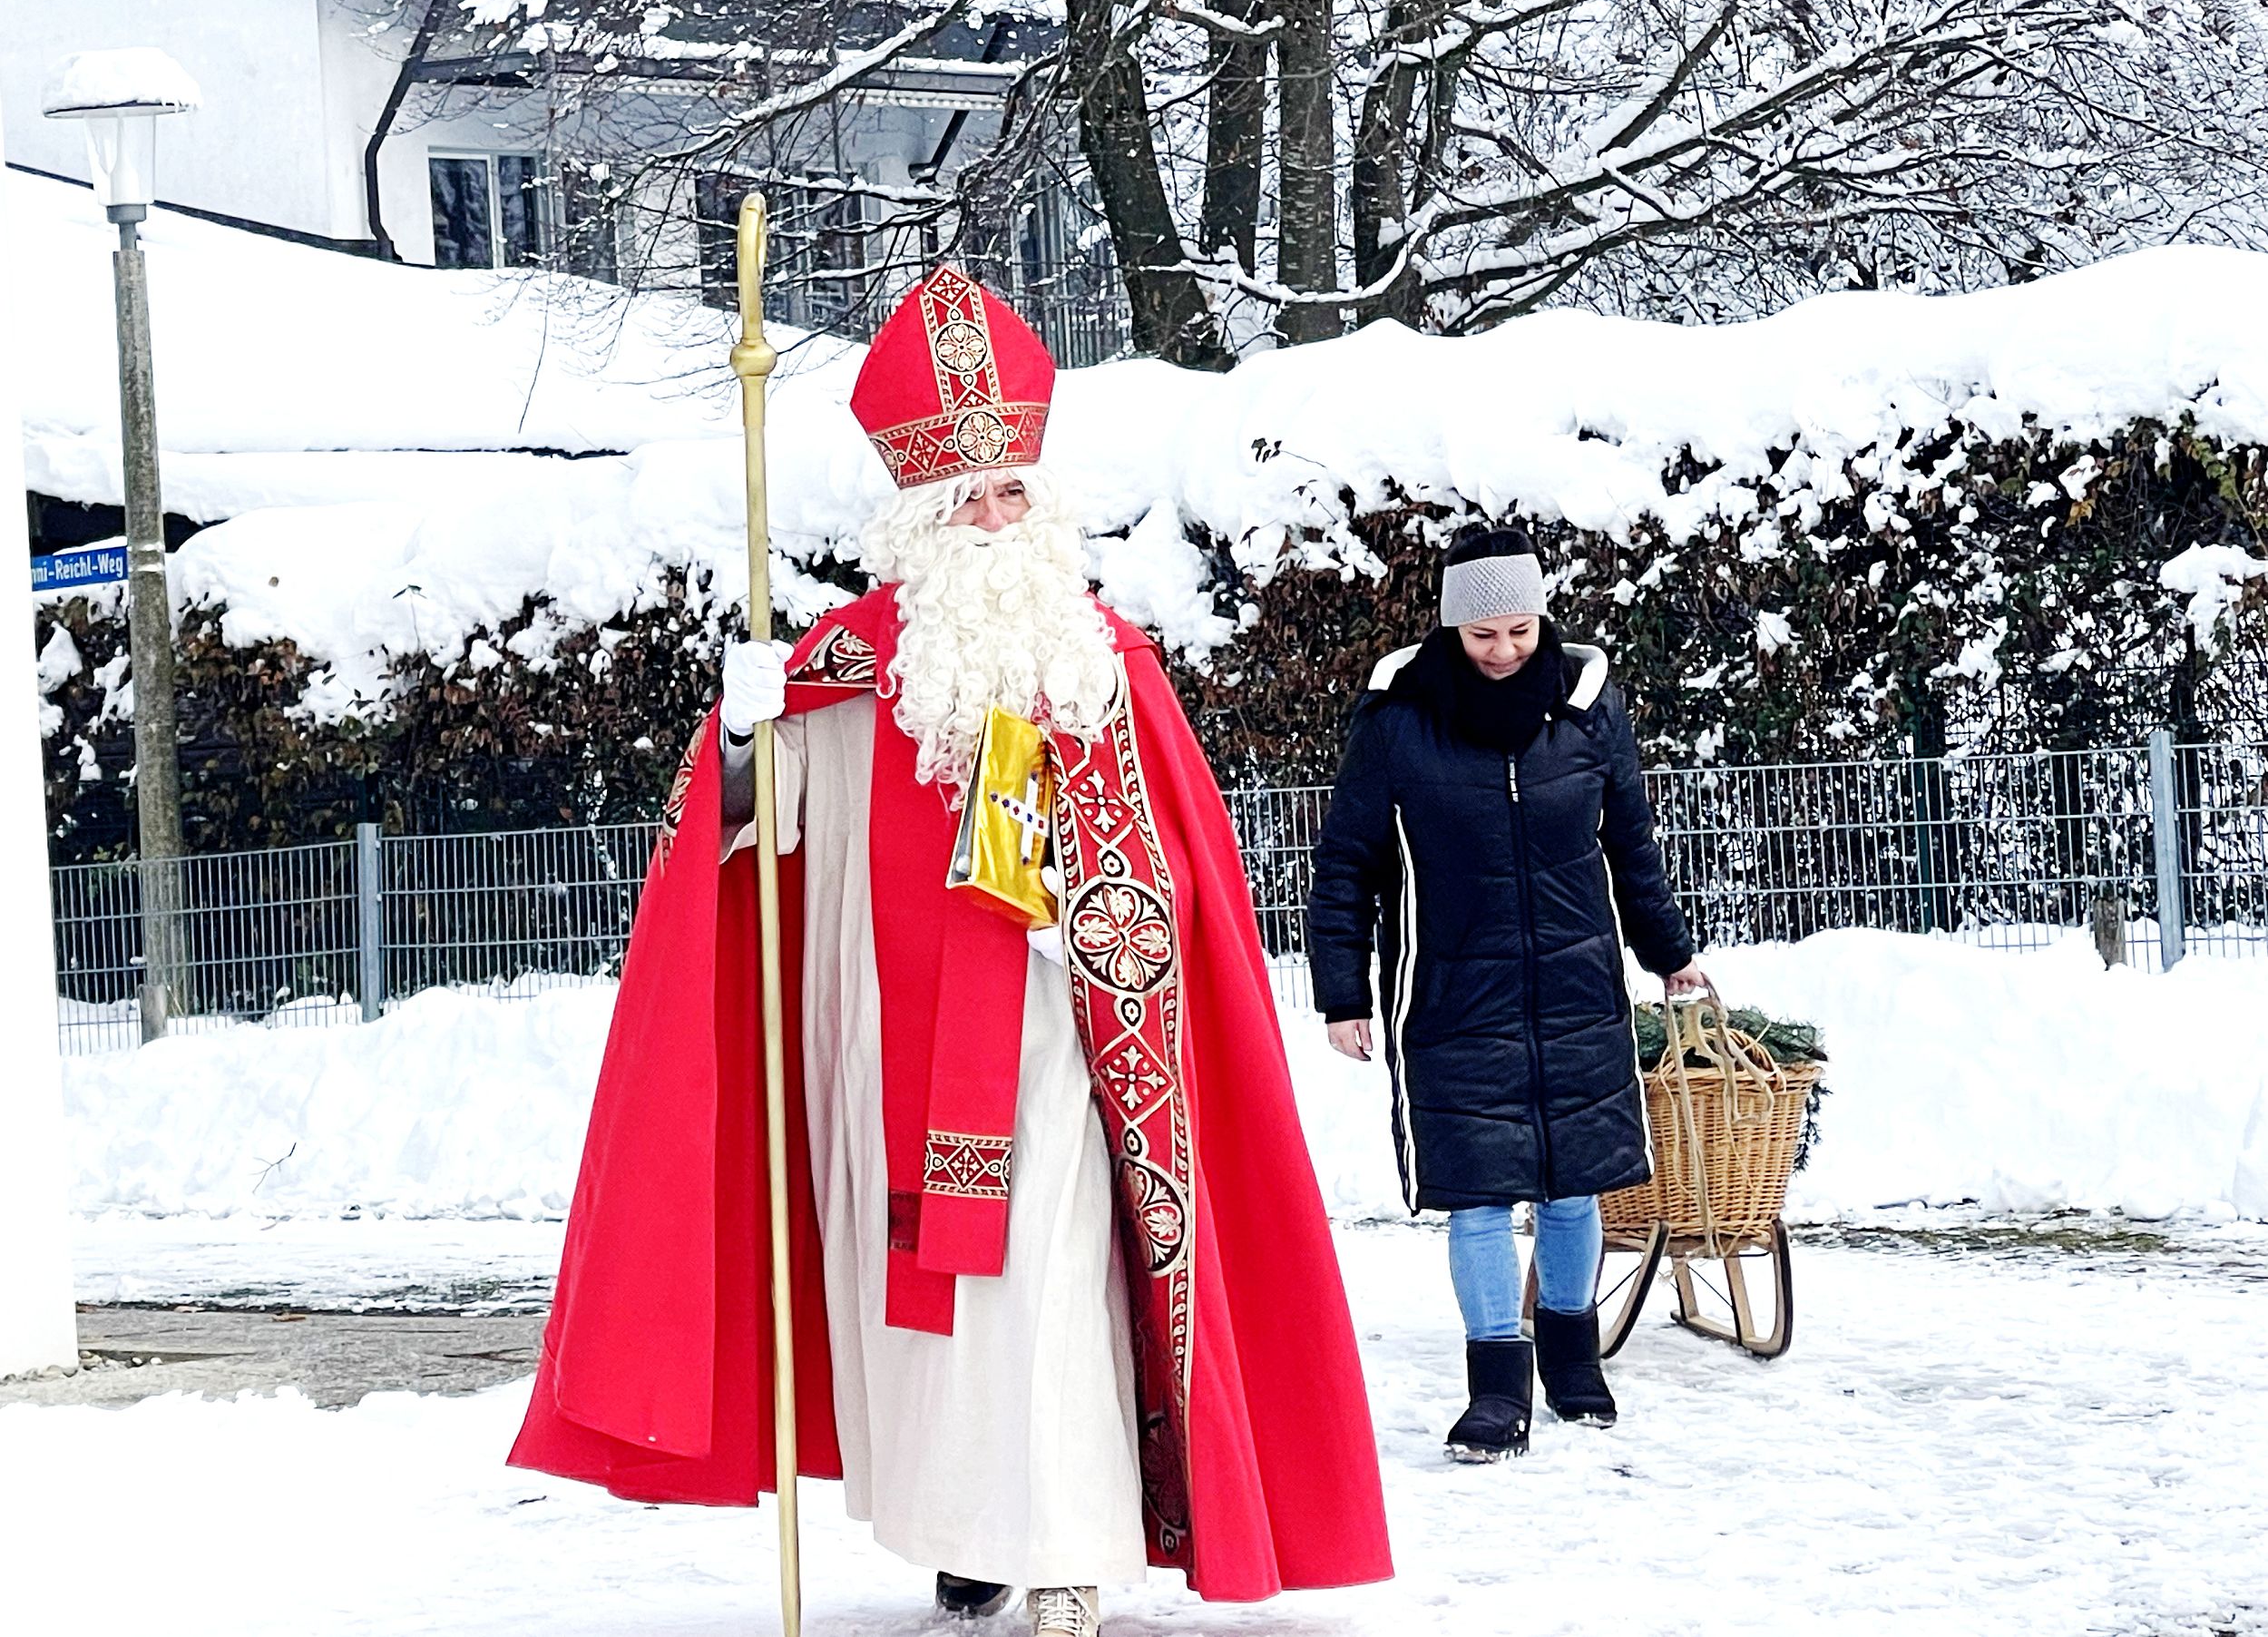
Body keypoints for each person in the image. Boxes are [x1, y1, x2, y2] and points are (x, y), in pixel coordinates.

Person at [509, 266, 1391, 1636]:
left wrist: (1101, 928)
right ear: (917, 517)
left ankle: (1064, 1549)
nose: (994, 518)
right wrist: (740, 737)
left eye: (1012, 493)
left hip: (1064, 1042)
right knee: (923, 1314)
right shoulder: (850, 668)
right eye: (966, 498)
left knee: (1048, 1284)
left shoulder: (1102, 663)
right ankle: (965, 1533)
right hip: (885, 1048)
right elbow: (751, 832)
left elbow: (1180, 874)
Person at [1305, 524, 1706, 1462]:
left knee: (1572, 1186)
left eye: (1519, 631)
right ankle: (1495, 1386)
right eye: (1483, 634)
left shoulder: (1586, 709)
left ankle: (1573, 1359)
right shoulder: (1398, 720)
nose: (1503, 651)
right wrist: (1342, 992)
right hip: (1451, 993)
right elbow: (1347, 863)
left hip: (1576, 986)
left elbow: (1631, 844)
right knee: (1480, 1195)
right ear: (1453, 628)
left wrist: (1669, 954)